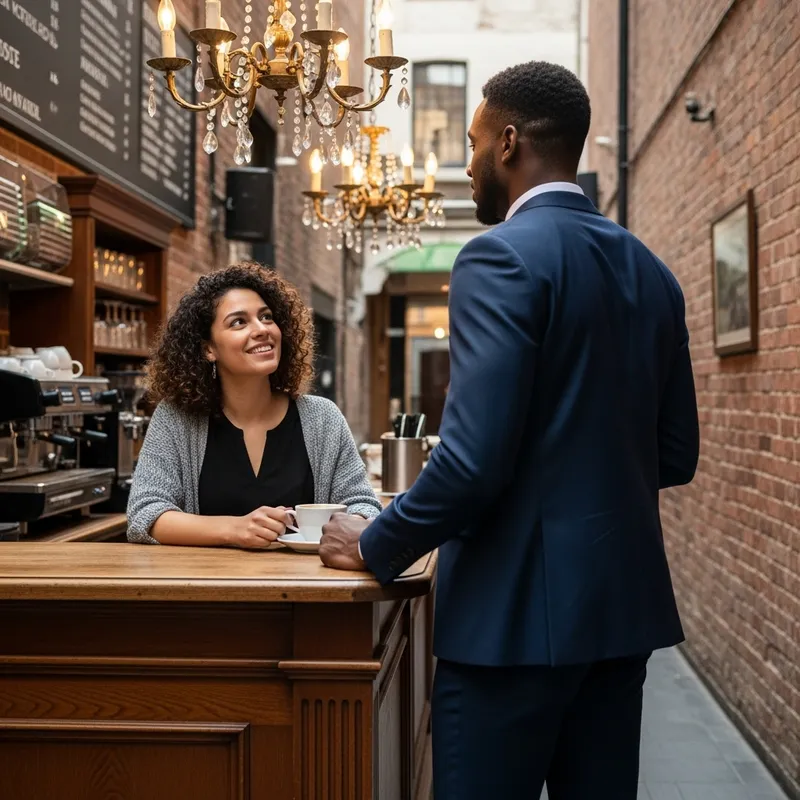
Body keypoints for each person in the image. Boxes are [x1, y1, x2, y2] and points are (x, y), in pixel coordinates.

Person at [319, 61, 699, 799]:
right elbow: (675, 454)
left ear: (510, 142)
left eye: (472, 140)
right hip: (620, 621)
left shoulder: (496, 256)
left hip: (508, 630)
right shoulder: (652, 272)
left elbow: (471, 464)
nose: (464, 163)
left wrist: (373, 543)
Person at [127, 262, 380, 547]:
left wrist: (353, 523)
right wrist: (236, 529)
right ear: (208, 349)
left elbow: (365, 506)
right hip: (204, 588)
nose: (261, 329)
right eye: (239, 322)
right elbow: (144, 516)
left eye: (267, 317)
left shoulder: (323, 418)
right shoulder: (177, 418)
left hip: (306, 588)